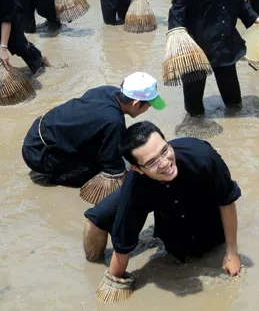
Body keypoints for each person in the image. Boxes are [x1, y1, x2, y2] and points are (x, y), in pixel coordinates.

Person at [83, 121, 242, 292]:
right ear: (137, 169)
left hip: (207, 217)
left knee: (207, 244)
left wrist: (231, 252)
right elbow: (124, 237)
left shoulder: (202, 157)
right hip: (167, 221)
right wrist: (114, 282)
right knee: (98, 217)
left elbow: (226, 201)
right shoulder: (136, 185)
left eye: (165, 150)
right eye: (152, 162)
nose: (165, 163)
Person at [22, 72, 165, 186]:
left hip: (36, 133)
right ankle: (54, 178)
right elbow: (111, 165)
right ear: (136, 103)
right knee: (93, 169)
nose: (148, 109)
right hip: (39, 154)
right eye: (148, 105)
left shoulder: (106, 91)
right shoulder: (113, 122)